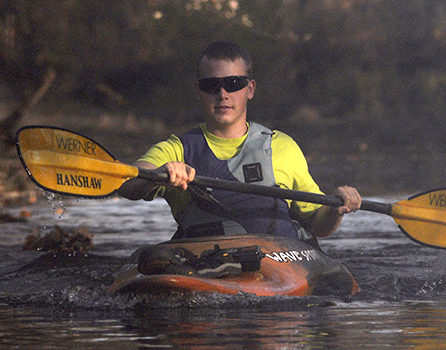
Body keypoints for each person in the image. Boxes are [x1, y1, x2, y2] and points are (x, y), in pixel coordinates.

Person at [118, 41, 361, 245]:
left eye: (234, 84)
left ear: (250, 89)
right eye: (211, 85)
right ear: (198, 91)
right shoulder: (177, 150)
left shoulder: (281, 147)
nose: (222, 94)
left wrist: (335, 209)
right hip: (208, 265)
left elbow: (318, 224)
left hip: (283, 265)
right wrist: (159, 174)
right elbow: (127, 184)